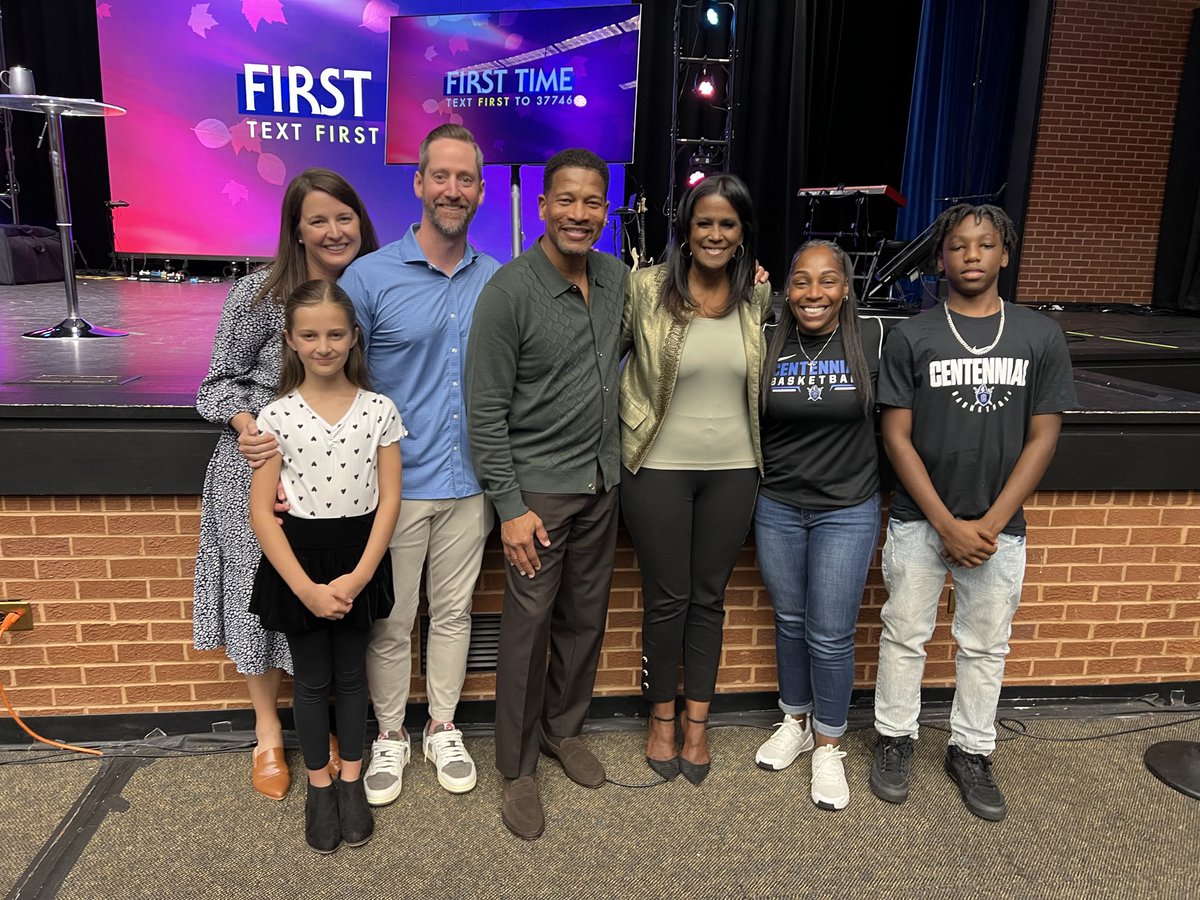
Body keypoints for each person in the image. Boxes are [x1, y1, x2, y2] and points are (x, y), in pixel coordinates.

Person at [868, 204, 1076, 822]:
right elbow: (896, 437)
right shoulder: (913, 336)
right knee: (904, 635)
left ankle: (972, 750)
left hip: (998, 528)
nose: (972, 255)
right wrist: (945, 523)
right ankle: (894, 739)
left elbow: (1043, 437)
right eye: (958, 246)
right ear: (941, 258)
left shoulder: (1039, 335)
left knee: (985, 646)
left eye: (985, 245)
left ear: (1004, 254)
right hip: (919, 520)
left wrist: (987, 524)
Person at [193, 168, 379, 800]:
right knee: (266, 601)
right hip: (261, 468)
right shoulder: (258, 295)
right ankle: (268, 733)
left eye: (344, 217)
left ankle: (326, 728)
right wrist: (248, 425)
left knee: (329, 601)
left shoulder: (371, 289)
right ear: (296, 230)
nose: (334, 230)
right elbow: (216, 385)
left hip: (338, 477)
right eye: (317, 220)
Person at [466, 148, 626, 840]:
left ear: (605, 211)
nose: (579, 214)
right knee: (528, 634)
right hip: (538, 497)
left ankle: (564, 731)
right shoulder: (509, 292)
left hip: (600, 484)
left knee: (585, 620)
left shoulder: (616, 280)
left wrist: (754, 284)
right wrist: (510, 508)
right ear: (542, 206)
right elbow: (484, 412)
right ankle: (518, 767)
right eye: (566, 199)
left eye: (592, 202)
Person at [338, 124, 499, 804]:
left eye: (465, 179)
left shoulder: (497, 279)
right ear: (418, 183)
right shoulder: (368, 278)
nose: (452, 190)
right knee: (392, 621)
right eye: (441, 176)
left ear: (481, 191)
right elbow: (338, 378)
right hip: (394, 489)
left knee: (455, 615)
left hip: (471, 486)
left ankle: (442, 727)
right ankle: (389, 735)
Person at [619, 173, 772, 785]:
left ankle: (698, 725)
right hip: (656, 465)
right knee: (668, 598)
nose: (714, 233)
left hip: (735, 469)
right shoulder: (645, 288)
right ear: (685, 228)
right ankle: (661, 720)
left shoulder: (757, 295)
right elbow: (603, 359)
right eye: (704, 222)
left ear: (742, 233)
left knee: (709, 598)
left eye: (727, 224)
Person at [248, 280, 403, 853]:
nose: (323, 346)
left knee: (353, 677)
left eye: (335, 334)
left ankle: (352, 780)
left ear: (354, 337)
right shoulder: (276, 415)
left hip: (359, 556)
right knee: (311, 680)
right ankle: (319, 785)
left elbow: (390, 500)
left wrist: (359, 577)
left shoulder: (379, 410)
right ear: (290, 340)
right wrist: (307, 590)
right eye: (310, 335)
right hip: (301, 563)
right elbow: (262, 515)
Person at [753, 240, 886, 810]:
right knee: (789, 621)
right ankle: (797, 722)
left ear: (846, 288)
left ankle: (829, 745)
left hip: (846, 508)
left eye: (827, 280)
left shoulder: (873, 338)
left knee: (829, 634)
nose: (814, 292)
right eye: (801, 281)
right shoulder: (766, 339)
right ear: (787, 289)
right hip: (778, 505)